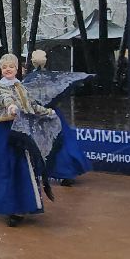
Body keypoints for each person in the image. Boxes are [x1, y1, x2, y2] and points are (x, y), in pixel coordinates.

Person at [0, 54, 54, 226]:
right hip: (5, 132)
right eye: (4, 67)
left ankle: (23, 204)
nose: (7, 69)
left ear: (17, 69)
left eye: (11, 66)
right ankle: (10, 207)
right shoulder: (0, 87)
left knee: (23, 167)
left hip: (21, 131)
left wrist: (47, 112)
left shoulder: (21, 87)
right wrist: (11, 107)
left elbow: (30, 106)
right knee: (7, 167)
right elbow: (5, 100)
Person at [28, 49, 92, 186]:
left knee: (44, 144)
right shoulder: (53, 78)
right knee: (62, 142)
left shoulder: (29, 80)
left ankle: (46, 171)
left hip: (39, 115)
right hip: (51, 114)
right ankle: (65, 172)